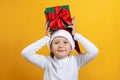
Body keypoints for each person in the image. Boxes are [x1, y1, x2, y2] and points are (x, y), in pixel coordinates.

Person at [21, 17, 99, 80]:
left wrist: (76, 35)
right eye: (56, 42)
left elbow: (94, 51)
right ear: (50, 48)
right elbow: (26, 53)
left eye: (65, 42)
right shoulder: (46, 62)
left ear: (71, 47)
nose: (61, 46)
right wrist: (46, 39)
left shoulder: (76, 61)